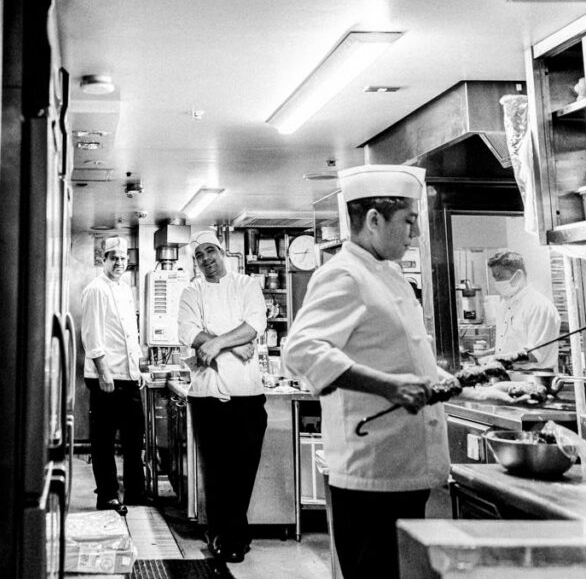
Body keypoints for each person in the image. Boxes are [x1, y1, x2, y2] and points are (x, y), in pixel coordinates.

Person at [281, 165, 452, 579]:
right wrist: (389, 387)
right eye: (408, 222)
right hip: (372, 477)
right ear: (374, 220)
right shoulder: (344, 274)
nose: (414, 234)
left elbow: (405, 358)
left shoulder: (389, 276)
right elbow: (301, 349)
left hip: (404, 470)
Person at [176, 231, 267, 563]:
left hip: (247, 394)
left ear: (222, 252)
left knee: (243, 468)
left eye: (210, 251)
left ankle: (235, 532)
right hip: (208, 396)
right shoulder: (192, 291)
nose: (206, 259)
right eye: (199, 255)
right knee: (216, 471)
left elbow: (255, 323)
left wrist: (213, 345)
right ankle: (223, 535)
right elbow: (187, 330)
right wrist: (234, 343)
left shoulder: (246, 285)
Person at [79, 236, 146, 515]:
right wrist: (103, 371)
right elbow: (91, 334)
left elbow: (130, 334)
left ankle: (135, 492)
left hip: (128, 375)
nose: (119, 262)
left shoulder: (125, 289)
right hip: (106, 376)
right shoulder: (96, 289)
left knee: (134, 438)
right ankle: (107, 495)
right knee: (104, 441)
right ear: (102, 259)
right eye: (112, 257)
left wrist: (138, 367)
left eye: (122, 257)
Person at [486, 250, 561, 371]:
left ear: (518, 276)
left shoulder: (539, 306)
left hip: (535, 379)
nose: (497, 283)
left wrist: (497, 359)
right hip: (508, 376)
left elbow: (535, 354)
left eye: (500, 277)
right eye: (495, 278)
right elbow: (508, 347)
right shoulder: (504, 305)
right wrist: (485, 355)